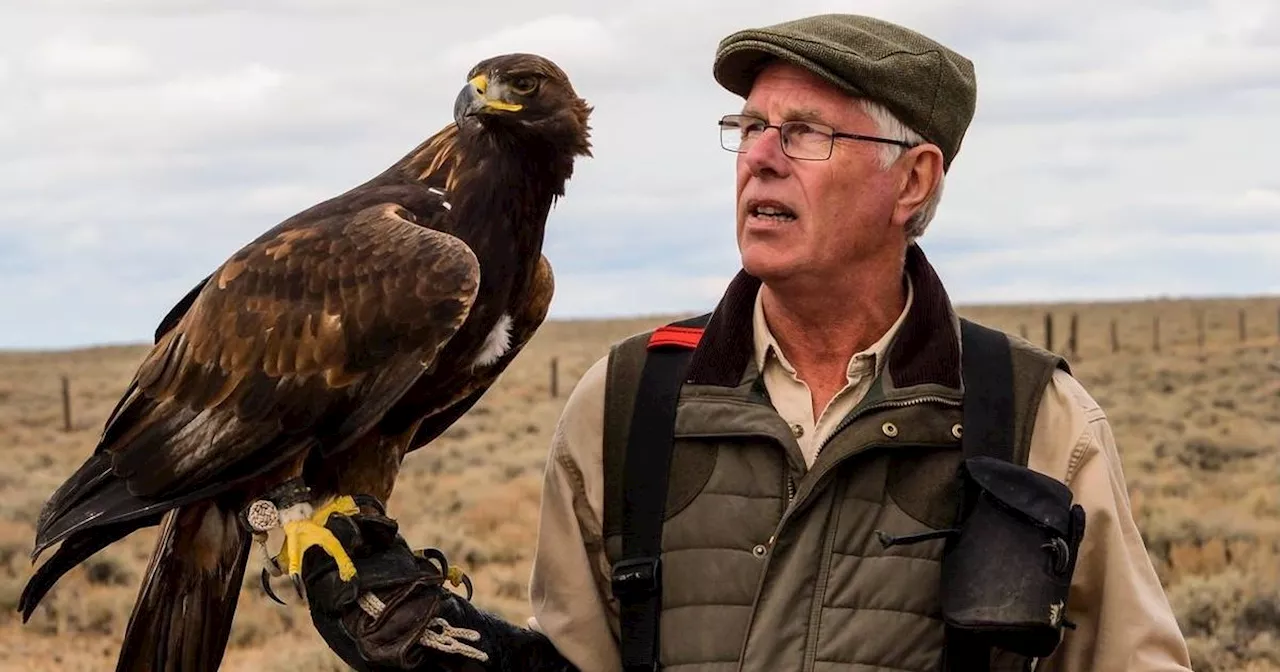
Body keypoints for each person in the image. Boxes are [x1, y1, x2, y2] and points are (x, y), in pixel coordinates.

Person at [294, 13, 1194, 672]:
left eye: (803, 133)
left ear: (913, 182)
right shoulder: (627, 405)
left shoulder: (1032, 414)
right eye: (749, 128)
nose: (760, 156)